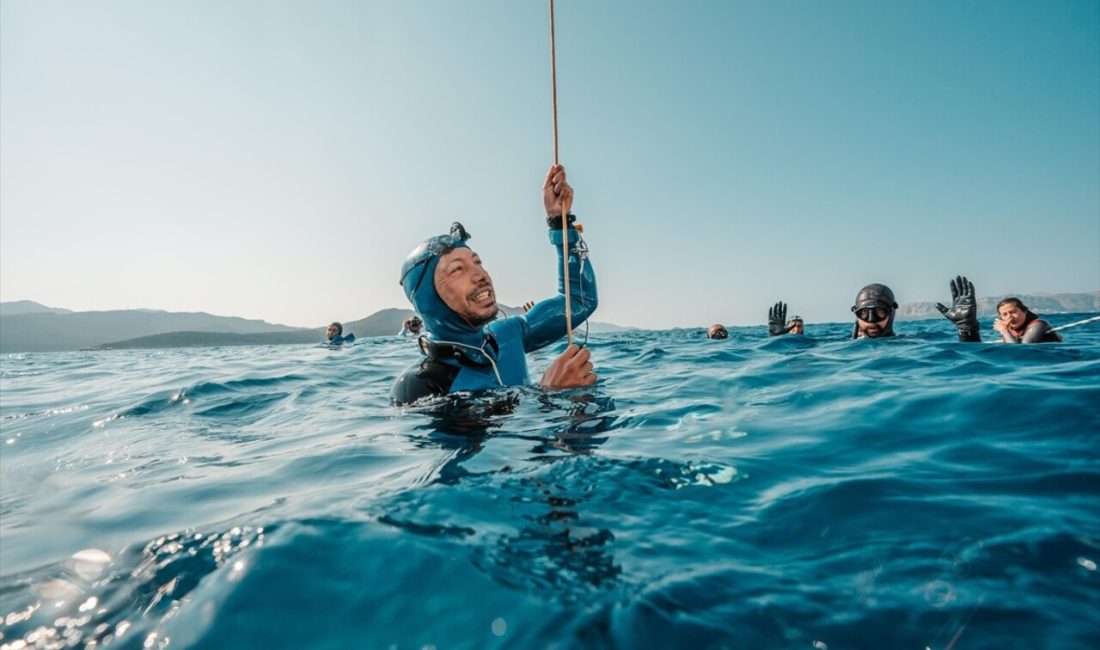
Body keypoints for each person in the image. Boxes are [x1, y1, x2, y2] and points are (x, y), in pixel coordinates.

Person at [391, 164, 598, 406]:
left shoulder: (507, 335)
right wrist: (548, 392)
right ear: (428, 299)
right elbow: (497, 442)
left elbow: (579, 300)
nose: (480, 274)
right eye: (458, 269)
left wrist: (559, 222)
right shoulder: (419, 387)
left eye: (477, 262)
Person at [992, 297, 1062, 343]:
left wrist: (1004, 331)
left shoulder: (1038, 325)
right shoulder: (1009, 329)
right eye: (1005, 314)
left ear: (1024, 312)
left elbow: (1019, 351)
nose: (1009, 317)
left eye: (1013, 312)